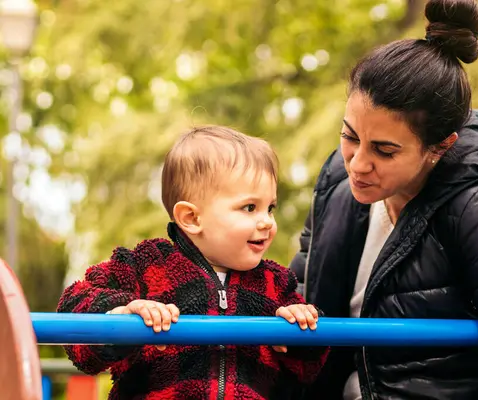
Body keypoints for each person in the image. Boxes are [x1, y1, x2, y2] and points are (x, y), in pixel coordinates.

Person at [290, 0, 478, 399]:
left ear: (440, 147)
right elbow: (294, 293)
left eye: (384, 150)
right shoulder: (337, 181)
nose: (357, 164)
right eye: (350, 136)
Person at [57, 126, 329, 399]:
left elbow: (310, 369)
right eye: (250, 208)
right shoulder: (148, 267)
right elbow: (74, 309)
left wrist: (300, 332)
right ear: (191, 218)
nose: (267, 222)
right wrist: (122, 315)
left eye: (270, 208)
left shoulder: (275, 284)